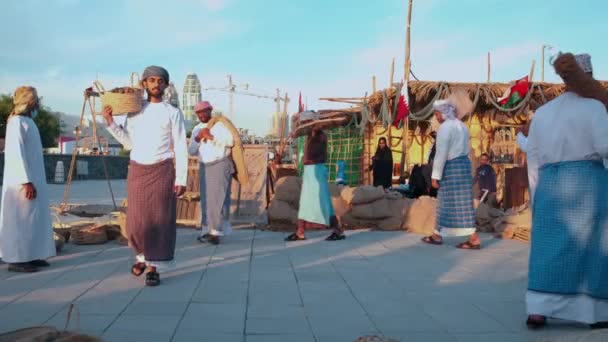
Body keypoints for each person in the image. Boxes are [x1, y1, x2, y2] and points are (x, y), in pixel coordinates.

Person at [525, 53, 608, 329]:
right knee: (589, 247)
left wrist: (536, 191)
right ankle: (592, 312)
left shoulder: (544, 113)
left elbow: (533, 154)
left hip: (549, 184)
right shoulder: (595, 108)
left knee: (547, 247)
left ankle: (537, 309)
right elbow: (604, 147)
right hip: (587, 184)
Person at [102, 66, 188, 287]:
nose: (156, 84)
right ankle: (141, 256)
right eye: (151, 80)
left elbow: (180, 145)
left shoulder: (173, 112)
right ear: (144, 84)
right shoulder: (135, 110)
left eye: (160, 81)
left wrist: (181, 179)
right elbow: (128, 142)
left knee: (159, 220)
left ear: (166, 85)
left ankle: (153, 267)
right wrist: (110, 123)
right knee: (136, 222)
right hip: (138, 169)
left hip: (162, 169)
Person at [0, 86, 55, 273]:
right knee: (20, 219)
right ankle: (17, 259)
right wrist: (26, 181)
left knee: (34, 218)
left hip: (34, 178)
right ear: (30, 102)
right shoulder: (16, 122)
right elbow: (16, 154)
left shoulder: (27, 121)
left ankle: (32, 255)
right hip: (22, 183)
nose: (38, 103)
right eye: (36, 100)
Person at [421, 91, 480, 249]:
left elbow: (441, 154)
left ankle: (470, 238)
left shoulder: (445, 128)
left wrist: (435, 176)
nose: (436, 117)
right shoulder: (462, 126)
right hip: (464, 166)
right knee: (461, 203)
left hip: (452, 167)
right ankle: (438, 234)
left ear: (444, 113)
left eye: (437, 113)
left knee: (446, 202)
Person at [285, 125, 345, 241]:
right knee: (305, 202)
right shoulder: (309, 134)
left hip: (317, 169)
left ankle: (337, 230)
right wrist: (295, 134)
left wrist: (314, 131)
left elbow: (318, 151)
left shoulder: (321, 136)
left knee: (324, 202)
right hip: (309, 170)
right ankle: (300, 232)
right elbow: (300, 134)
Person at [188, 101, 234, 245]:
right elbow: (191, 151)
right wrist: (197, 138)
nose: (202, 115)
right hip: (204, 166)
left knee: (218, 199)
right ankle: (206, 230)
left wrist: (211, 137)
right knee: (206, 200)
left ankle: (216, 233)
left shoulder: (220, 125)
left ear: (210, 110)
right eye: (199, 113)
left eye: (204, 111)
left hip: (220, 164)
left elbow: (231, 141)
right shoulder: (196, 129)